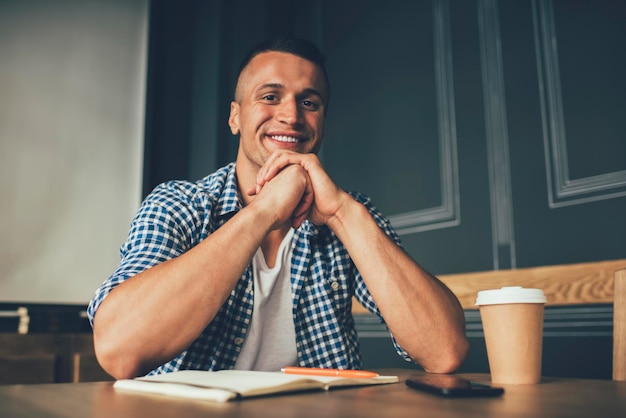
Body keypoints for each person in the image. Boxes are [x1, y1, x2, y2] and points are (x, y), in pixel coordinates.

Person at [87, 37, 469, 379]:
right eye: (270, 97)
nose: (291, 116)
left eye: (309, 102)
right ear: (235, 116)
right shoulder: (179, 205)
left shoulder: (349, 214)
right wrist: (263, 211)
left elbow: (444, 351)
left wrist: (341, 213)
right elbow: (120, 351)